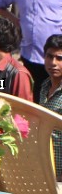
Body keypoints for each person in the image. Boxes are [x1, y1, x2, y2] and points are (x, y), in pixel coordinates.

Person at [36, 34, 62, 180]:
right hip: (46, 169)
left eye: (60, 58)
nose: (53, 63)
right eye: (49, 57)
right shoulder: (45, 86)